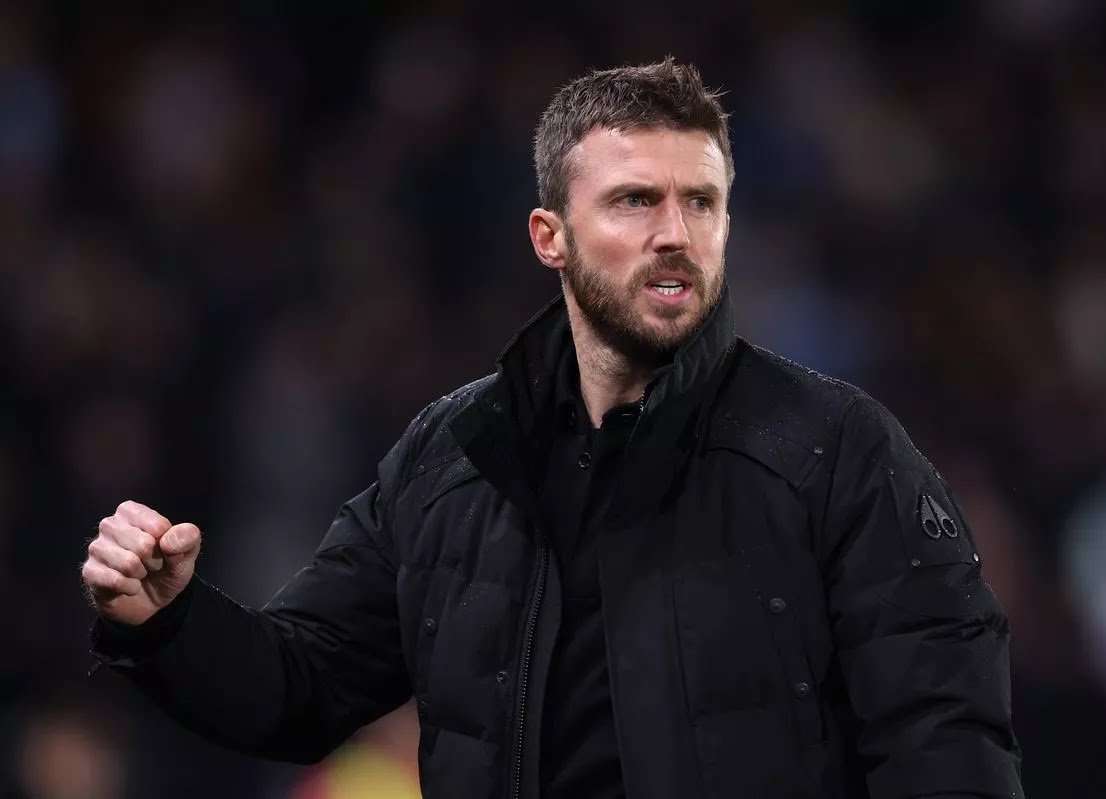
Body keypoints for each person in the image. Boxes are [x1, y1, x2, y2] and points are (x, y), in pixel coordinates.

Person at [82, 57, 1024, 798]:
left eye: (701, 202)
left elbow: (946, 747)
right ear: (550, 237)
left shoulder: (838, 449)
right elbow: (304, 686)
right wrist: (169, 622)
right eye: (634, 200)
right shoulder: (455, 457)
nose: (675, 233)